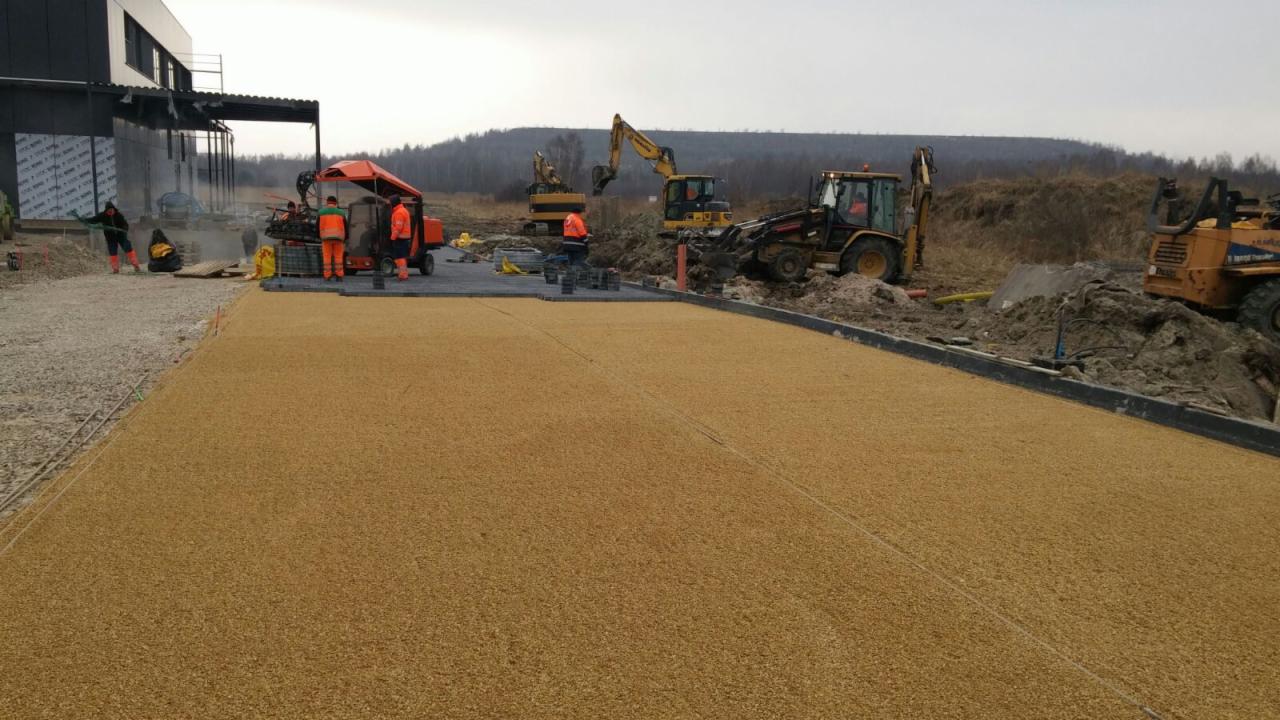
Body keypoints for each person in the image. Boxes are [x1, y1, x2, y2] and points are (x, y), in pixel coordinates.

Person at [86, 202, 139, 273]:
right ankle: (115, 269)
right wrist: (84, 220)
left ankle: (136, 265)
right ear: (106, 210)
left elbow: (125, 224)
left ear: (114, 209)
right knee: (113, 252)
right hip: (110, 238)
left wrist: (124, 229)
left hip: (121, 236)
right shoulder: (102, 216)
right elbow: (93, 220)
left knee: (128, 248)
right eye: (109, 210)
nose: (110, 211)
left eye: (112, 209)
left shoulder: (118, 215)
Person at [317, 195, 348, 282]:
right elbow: (346, 226)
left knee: (327, 257)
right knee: (338, 257)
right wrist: (345, 238)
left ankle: (327, 276)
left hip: (326, 238)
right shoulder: (341, 212)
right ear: (335, 203)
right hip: (338, 238)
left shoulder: (321, 212)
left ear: (327, 202)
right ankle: (339, 276)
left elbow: (317, 226)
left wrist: (318, 236)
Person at [387, 194, 412, 281]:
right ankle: (403, 274)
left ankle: (402, 275)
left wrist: (392, 238)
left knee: (399, 257)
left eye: (390, 202)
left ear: (394, 203)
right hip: (403, 238)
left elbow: (398, 228)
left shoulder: (399, 212)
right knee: (401, 257)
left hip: (400, 238)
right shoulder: (403, 210)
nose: (389, 204)